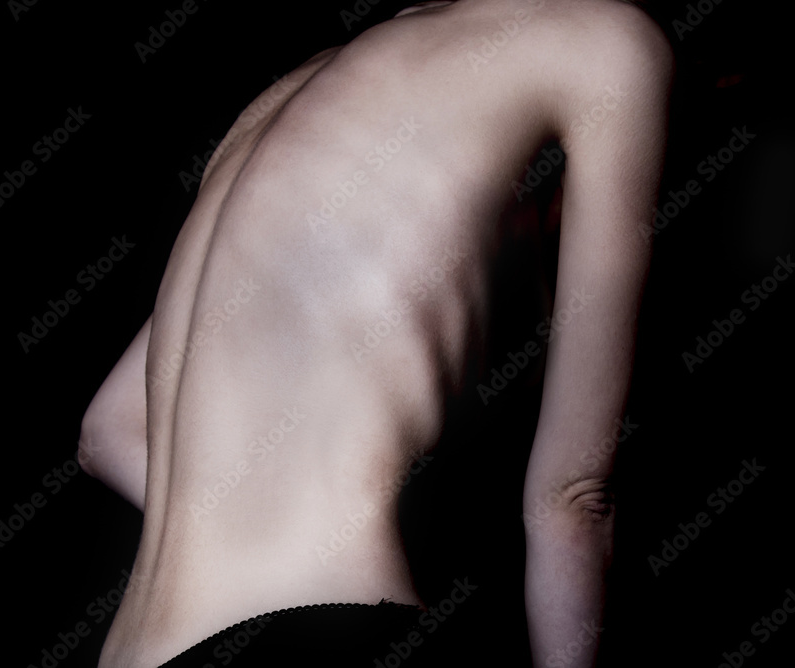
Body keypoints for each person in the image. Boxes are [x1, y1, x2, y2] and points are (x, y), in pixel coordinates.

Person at [77, 0, 674, 665]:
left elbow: (110, 430)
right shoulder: (606, 41)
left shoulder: (301, 91)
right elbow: (574, 500)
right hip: (325, 627)